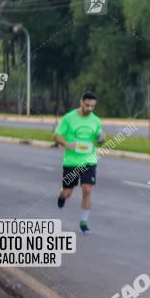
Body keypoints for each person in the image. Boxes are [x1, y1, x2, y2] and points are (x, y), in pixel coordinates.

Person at [54, 91, 104, 234]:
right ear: (81, 102)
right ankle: (62, 195)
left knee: (87, 189)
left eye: (92, 106)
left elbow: (99, 137)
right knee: (68, 192)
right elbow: (56, 136)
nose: (89, 109)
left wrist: (102, 138)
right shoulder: (69, 118)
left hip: (89, 160)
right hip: (71, 162)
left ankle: (84, 222)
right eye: (87, 105)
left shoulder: (96, 120)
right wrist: (67, 144)